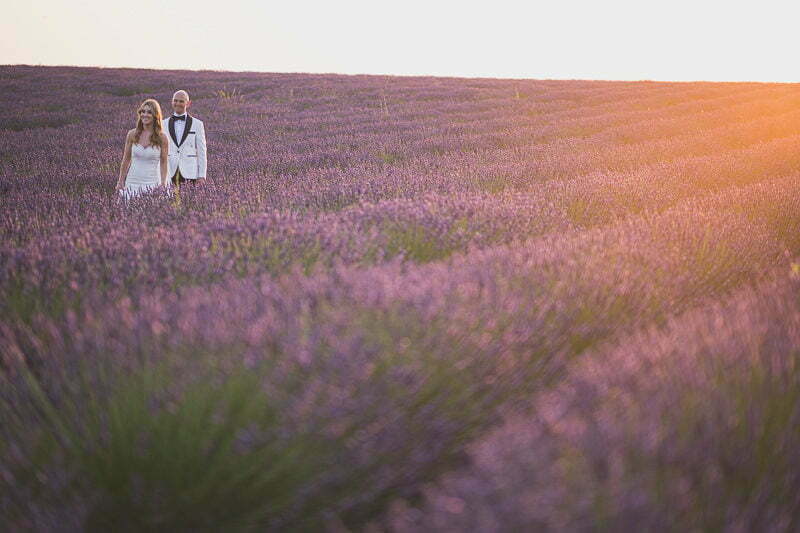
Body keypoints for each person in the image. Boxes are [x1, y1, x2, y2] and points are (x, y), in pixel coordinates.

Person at [116, 99, 169, 198]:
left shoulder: (162, 138)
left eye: (149, 112)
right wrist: (120, 181)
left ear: (155, 116)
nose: (145, 114)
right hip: (132, 181)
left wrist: (163, 183)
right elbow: (126, 160)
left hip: (152, 183)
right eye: (143, 111)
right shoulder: (132, 134)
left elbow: (164, 162)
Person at [162, 90, 207, 187]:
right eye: (175, 100)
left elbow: (202, 151)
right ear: (172, 101)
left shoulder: (198, 124)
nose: (178, 103)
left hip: (190, 172)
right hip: (168, 172)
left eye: (181, 101)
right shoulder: (162, 124)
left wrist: (202, 175)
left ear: (188, 103)